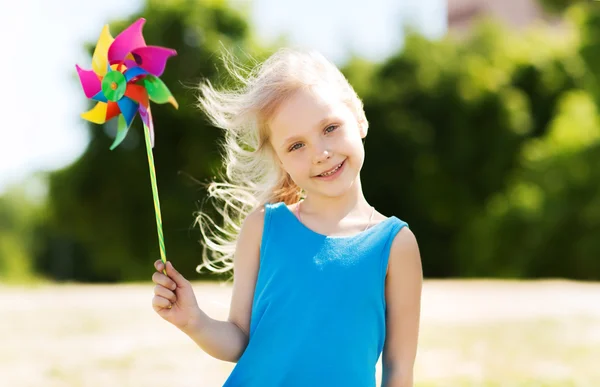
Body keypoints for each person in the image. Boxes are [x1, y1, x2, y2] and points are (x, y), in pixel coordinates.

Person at [151, 48, 423, 387]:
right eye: (296, 146)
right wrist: (194, 320)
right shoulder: (263, 227)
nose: (320, 154)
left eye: (330, 127)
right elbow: (239, 338)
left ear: (360, 119)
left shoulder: (395, 244)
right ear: (281, 160)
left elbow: (399, 370)